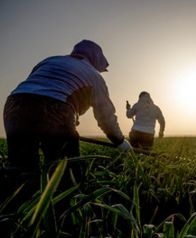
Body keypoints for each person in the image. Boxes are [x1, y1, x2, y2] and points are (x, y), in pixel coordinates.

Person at [3, 39, 132, 187]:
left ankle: (19, 204)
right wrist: (120, 141)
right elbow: (105, 117)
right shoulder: (95, 76)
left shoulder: (50, 60)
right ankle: (63, 206)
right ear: (96, 59)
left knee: (20, 169)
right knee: (65, 171)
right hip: (54, 108)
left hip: (15, 104)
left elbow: (37, 87)